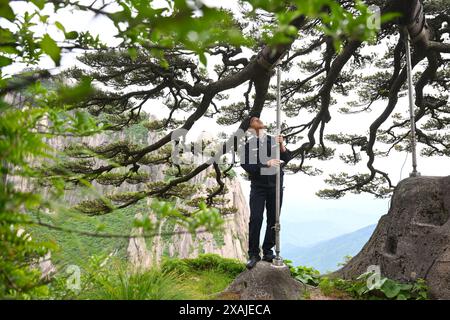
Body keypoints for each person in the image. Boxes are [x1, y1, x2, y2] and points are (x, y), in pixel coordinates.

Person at [240, 116, 292, 269]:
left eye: (259, 118)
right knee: (256, 219)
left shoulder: (273, 140)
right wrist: (266, 164)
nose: (259, 120)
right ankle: (253, 254)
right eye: (254, 120)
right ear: (250, 127)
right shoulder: (248, 146)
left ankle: (268, 251)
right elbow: (248, 166)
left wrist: (282, 145)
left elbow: (287, 158)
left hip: (276, 185)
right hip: (258, 187)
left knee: (274, 219)